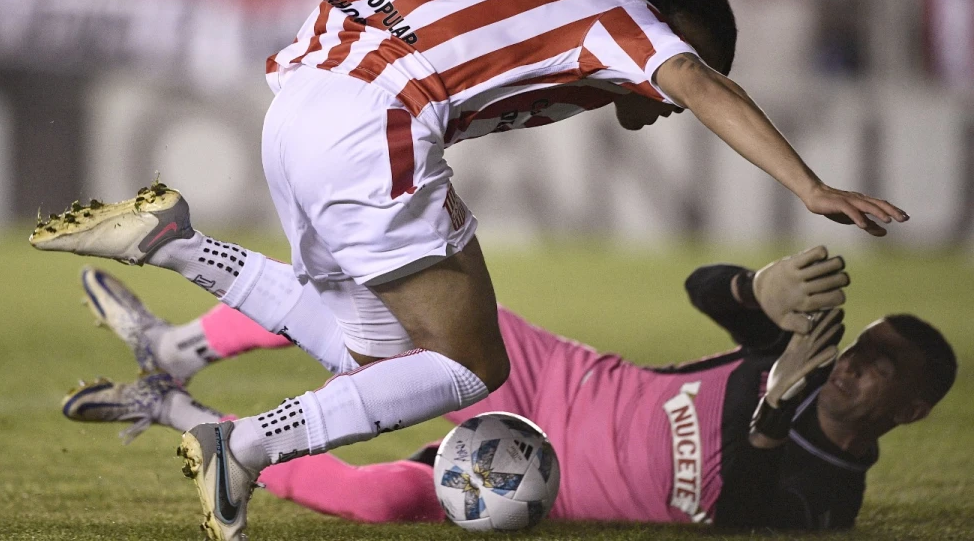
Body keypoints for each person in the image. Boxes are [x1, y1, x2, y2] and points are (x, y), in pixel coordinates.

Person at [30, 0, 908, 540]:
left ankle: (176, 243)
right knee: (470, 366)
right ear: (670, 21)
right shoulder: (627, 21)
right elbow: (693, 79)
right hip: (376, 117)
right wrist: (809, 187)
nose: (676, 89)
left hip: (301, 99)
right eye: (688, 54)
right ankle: (246, 444)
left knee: (374, 358)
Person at [62, 247, 955, 531]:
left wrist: (766, 420)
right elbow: (702, 287)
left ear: (909, 409)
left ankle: (178, 414)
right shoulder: (784, 354)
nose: (855, 364)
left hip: (541, 478)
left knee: (387, 501)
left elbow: (752, 516)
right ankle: (175, 349)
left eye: (883, 369)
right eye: (865, 345)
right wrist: (757, 291)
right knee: (380, 318)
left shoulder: (832, 495)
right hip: (553, 376)